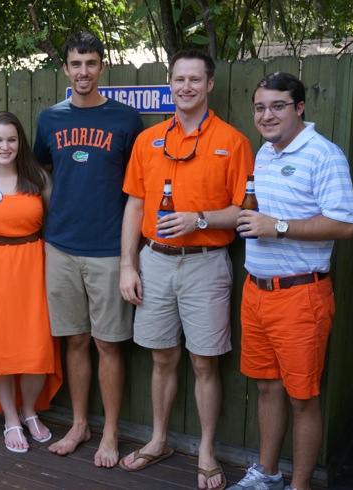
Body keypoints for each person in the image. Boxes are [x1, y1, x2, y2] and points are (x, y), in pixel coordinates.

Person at [119, 48, 254, 490]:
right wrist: (128, 264)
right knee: (161, 358)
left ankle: (207, 451)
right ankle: (158, 440)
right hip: (154, 260)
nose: (186, 87)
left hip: (206, 263)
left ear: (209, 84)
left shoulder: (233, 142)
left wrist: (199, 219)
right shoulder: (149, 139)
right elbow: (134, 203)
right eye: (179, 79)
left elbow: (245, 212)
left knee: (203, 363)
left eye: (195, 79)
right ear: (169, 84)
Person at [229, 72, 353, 490]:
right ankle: (266, 475)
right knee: (267, 389)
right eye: (260, 107)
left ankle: (299, 487)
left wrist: (277, 226)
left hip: (301, 294)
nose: (267, 115)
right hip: (257, 291)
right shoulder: (264, 153)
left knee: (303, 398)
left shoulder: (324, 155)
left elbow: (343, 224)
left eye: (278, 106)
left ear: (300, 107)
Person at [32, 31, 144, 468]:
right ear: (65, 68)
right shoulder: (50, 119)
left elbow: (139, 184)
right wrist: (55, 205)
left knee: (108, 344)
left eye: (91, 63)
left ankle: (111, 433)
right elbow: (41, 168)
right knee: (74, 340)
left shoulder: (126, 120)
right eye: (76, 64)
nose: (83, 71)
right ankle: (79, 424)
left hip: (109, 249)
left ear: (102, 68)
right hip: (60, 246)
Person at [0, 111, 63, 454]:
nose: (4, 146)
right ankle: (10, 418)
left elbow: (56, 222)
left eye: (11, 139)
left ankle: (30, 411)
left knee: (36, 344)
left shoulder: (38, 178)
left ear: (20, 142)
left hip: (34, 267)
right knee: (0, 346)